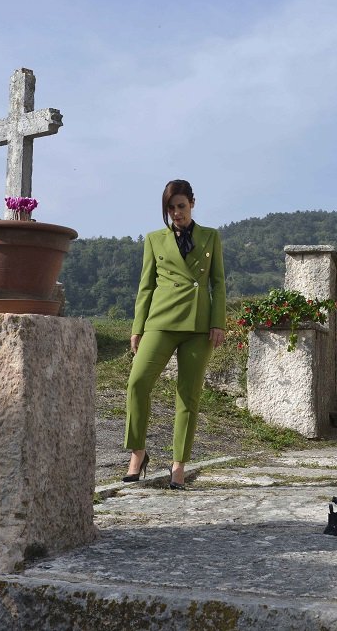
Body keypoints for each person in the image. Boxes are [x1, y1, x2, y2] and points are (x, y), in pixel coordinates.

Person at [123, 179, 226, 489]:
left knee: (188, 395)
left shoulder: (210, 237)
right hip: (160, 320)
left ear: (192, 203)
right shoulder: (154, 240)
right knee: (137, 382)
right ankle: (138, 453)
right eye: (170, 208)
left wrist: (218, 321)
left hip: (198, 324)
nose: (176, 213)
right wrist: (138, 327)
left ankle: (179, 464)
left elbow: (218, 283)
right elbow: (146, 285)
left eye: (181, 206)